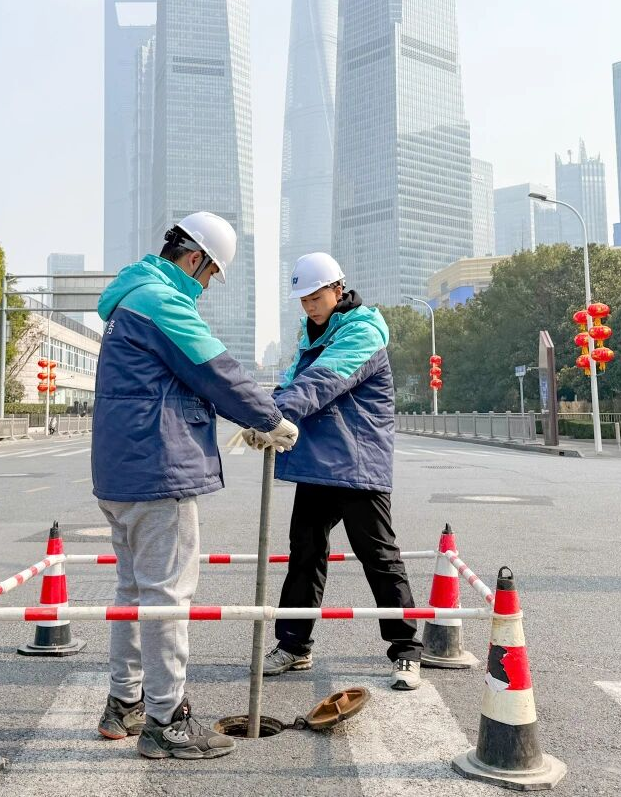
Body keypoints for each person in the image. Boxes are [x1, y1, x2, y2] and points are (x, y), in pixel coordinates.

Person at [91, 211, 300, 760]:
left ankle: (124, 705)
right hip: (157, 469)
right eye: (209, 276)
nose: (204, 289)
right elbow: (218, 370)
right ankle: (168, 719)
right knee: (166, 596)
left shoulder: (128, 300)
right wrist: (269, 421)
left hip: (120, 472)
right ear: (194, 259)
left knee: (134, 593)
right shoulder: (162, 303)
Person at [247, 252, 423, 691]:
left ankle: (406, 650)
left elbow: (322, 383)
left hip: (358, 463)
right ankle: (293, 645)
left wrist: (274, 416)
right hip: (318, 464)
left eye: (316, 296)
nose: (308, 305)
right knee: (304, 553)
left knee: (379, 557)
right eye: (302, 298)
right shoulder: (310, 335)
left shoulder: (362, 333)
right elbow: (290, 381)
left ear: (338, 290)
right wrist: (259, 412)